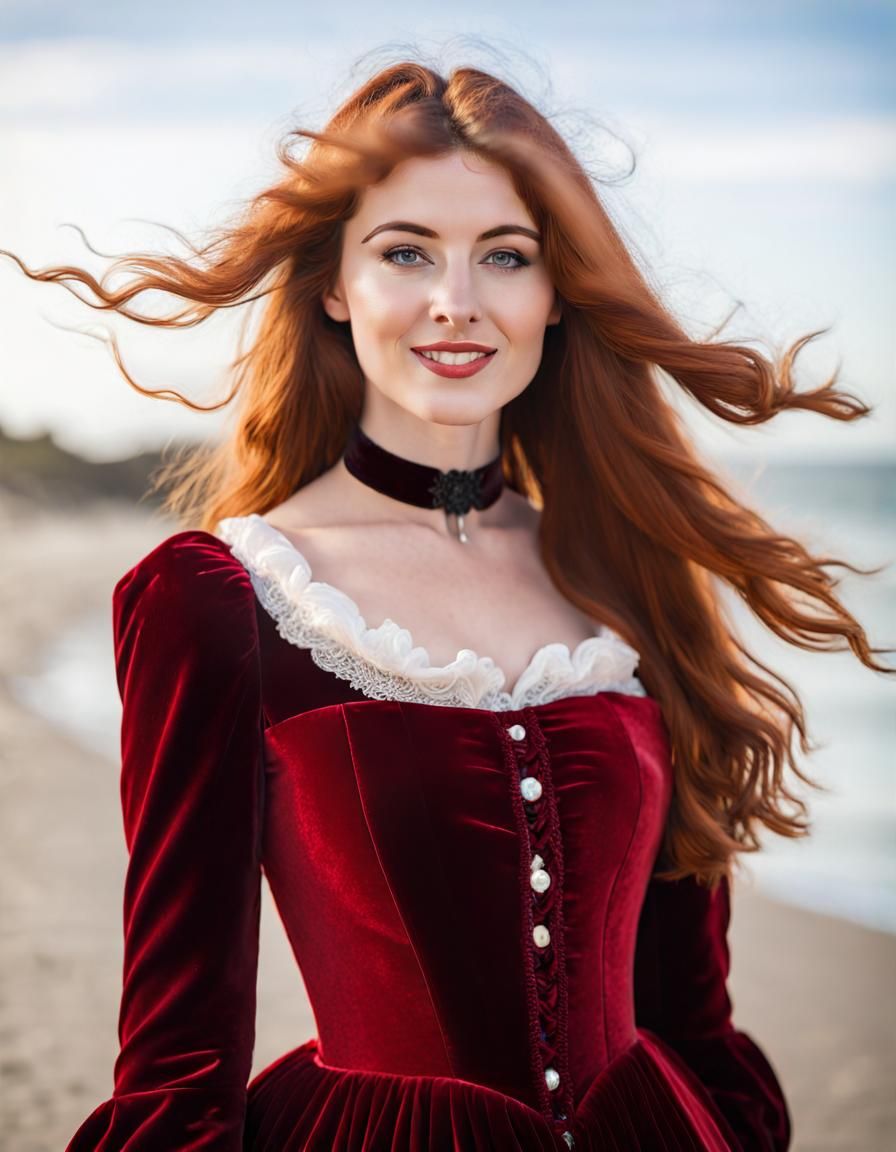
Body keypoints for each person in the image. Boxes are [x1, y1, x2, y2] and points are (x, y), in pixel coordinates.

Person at [5, 58, 890, 1152]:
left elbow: (690, 1012)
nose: (455, 302)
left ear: (556, 292)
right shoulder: (221, 601)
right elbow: (178, 1062)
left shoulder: (633, 576)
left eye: (505, 256)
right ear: (334, 284)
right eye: (405, 252)